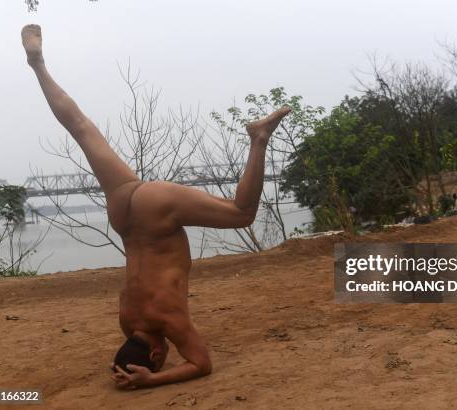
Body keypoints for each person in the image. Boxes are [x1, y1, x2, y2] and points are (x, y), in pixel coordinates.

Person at [21, 24, 291, 388]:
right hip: (124, 211)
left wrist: (151, 380)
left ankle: (258, 138)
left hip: (155, 210)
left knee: (242, 213)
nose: (167, 358)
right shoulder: (127, 320)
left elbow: (200, 363)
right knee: (82, 129)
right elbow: (165, 352)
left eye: (161, 362)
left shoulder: (168, 322)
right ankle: (38, 64)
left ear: (155, 355)